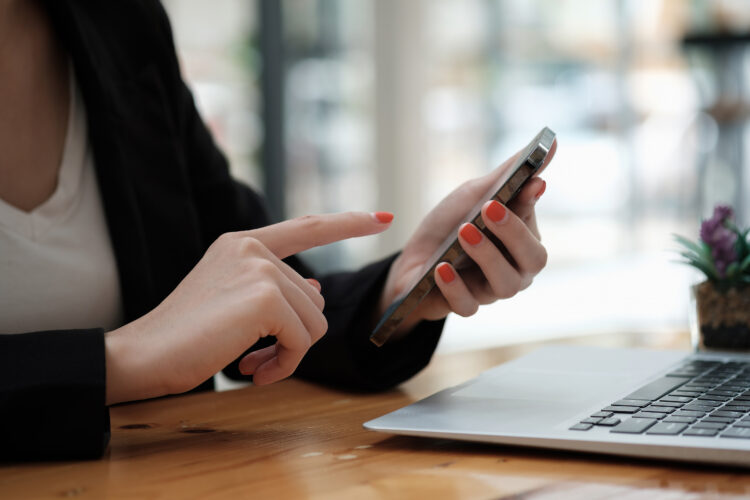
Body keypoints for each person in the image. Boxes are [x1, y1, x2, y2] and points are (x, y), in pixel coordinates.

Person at [0, 0, 553, 461]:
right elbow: (171, 335)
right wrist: (122, 360)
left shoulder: (118, 21)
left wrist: (407, 289)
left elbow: (262, 306)